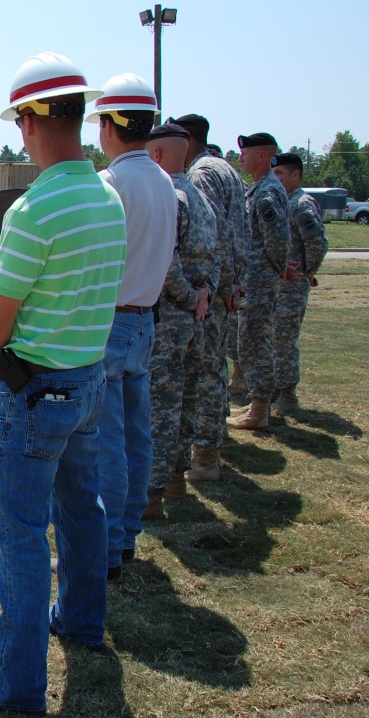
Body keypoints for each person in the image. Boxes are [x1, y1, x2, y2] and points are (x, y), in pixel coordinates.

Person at [0, 52, 127, 715]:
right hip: (87, 381)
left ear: (31, 120)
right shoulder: (108, 196)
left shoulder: (36, 208)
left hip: (34, 394)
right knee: (83, 508)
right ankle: (80, 621)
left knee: (18, 536)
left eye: (20, 119)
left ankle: (14, 683)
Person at [85, 73, 176, 575]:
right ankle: (128, 535)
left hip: (112, 322)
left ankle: (110, 545)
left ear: (113, 125)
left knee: (108, 443)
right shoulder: (164, 181)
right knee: (138, 437)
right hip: (145, 321)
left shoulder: (111, 183)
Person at [167, 114, 250, 478]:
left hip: (204, 295)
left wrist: (217, 290)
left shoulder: (199, 176)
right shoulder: (225, 168)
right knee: (213, 368)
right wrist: (231, 284)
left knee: (202, 375)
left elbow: (212, 239)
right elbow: (234, 237)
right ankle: (209, 447)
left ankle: (204, 454)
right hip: (219, 286)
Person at [144, 123, 219, 516]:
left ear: (154, 155)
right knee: (186, 397)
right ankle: (176, 480)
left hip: (171, 317)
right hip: (196, 317)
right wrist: (204, 295)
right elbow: (217, 255)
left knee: (162, 405)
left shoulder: (170, 197)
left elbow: (165, 263)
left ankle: (152, 495)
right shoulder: (200, 197)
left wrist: (190, 298)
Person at [227, 132, 290, 430]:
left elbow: (277, 239)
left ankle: (260, 409)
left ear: (262, 155)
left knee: (255, 342)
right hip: (256, 279)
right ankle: (259, 404)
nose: (240, 158)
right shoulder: (261, 188)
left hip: (260, 281)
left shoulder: (266, 192)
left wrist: (275, 271)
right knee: (252, 341)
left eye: (245, 153)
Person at [271, 152, 328, 413]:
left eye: (280, 173)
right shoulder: (283, 201)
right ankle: (273, 393)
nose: (276, 178)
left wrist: (307, 271)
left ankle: (287, 396)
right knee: (273, 340)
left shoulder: (300, 203)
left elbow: (317, 242)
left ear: (296, 175)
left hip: (290, 290)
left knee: (284, 342)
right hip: (277, 288)